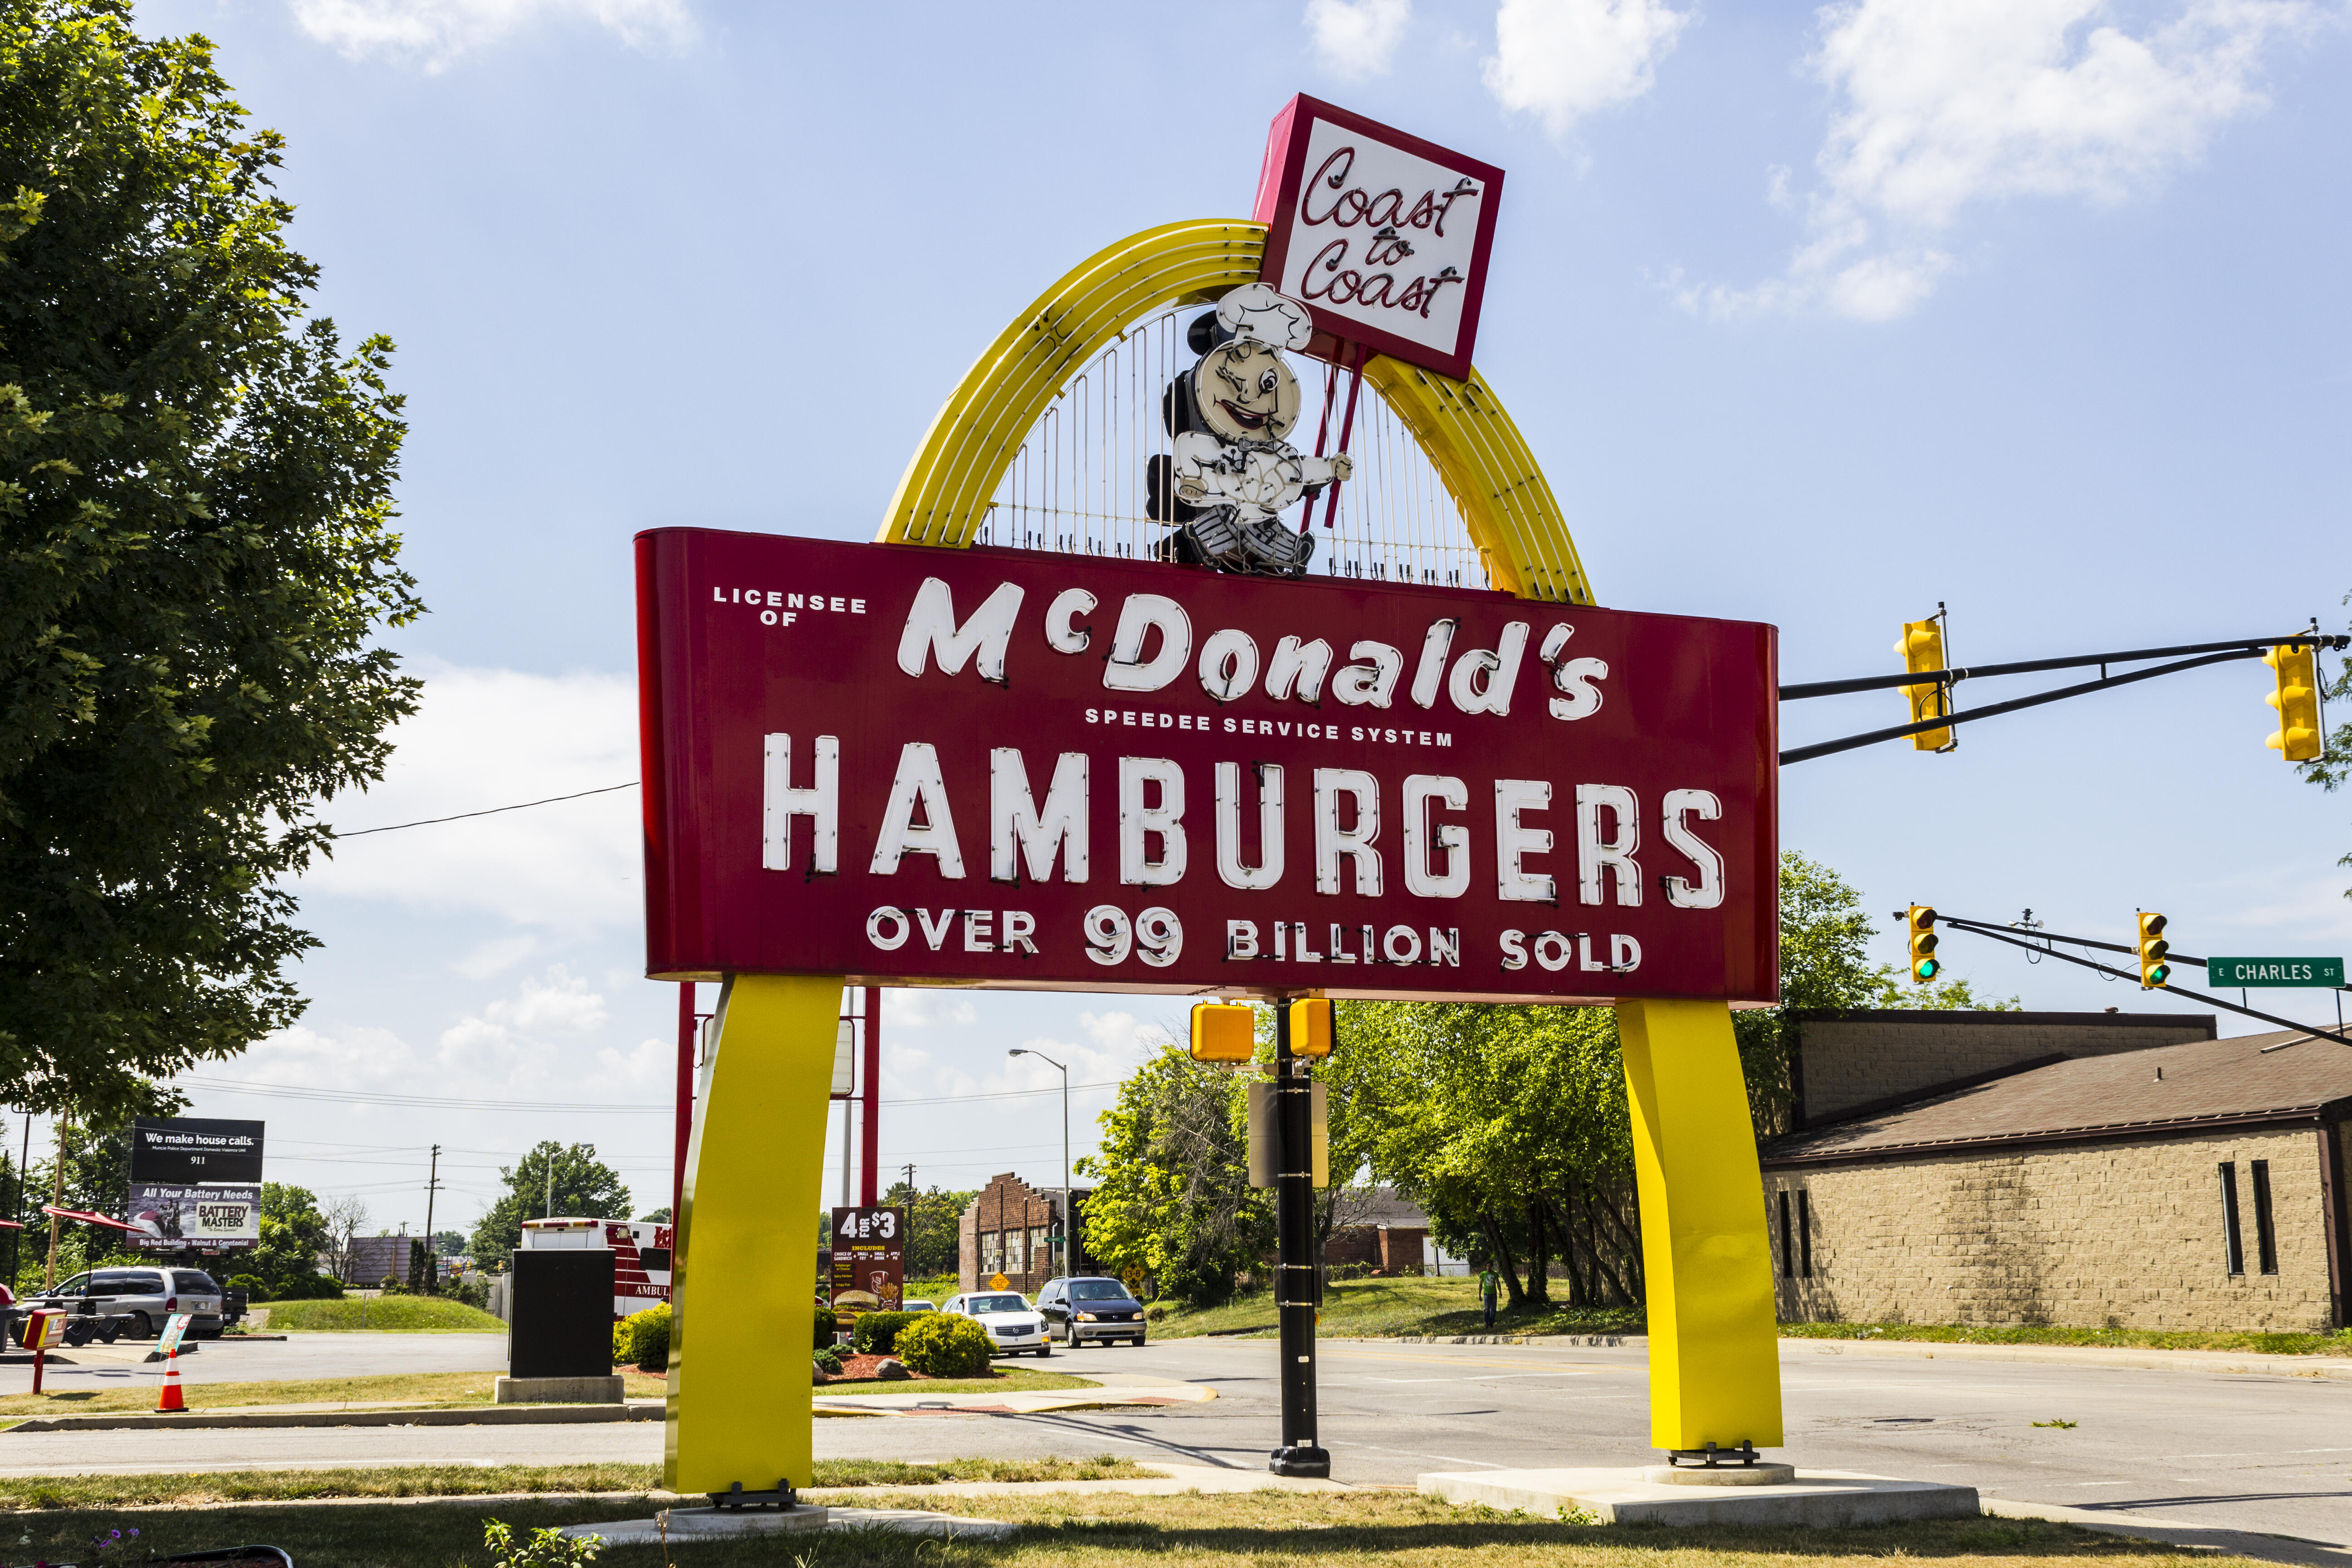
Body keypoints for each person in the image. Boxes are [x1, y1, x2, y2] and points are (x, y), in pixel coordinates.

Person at [1479, 1264, 1499, 1329]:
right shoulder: (1483, 1274)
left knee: (1493, 1310)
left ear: (1492, 1267)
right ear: (1486, 1267)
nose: (1489, 1267)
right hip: (1486, 1294)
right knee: (1487, 1309)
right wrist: (1479, 1294)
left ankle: (1491, 1323)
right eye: (1488, 1266)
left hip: (1494, 1294)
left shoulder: (1495, 1274)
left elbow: (1498, 1283)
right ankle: (1486, 1323)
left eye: (1490, 1266)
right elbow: (1481, 1284)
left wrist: (1500, 1291)